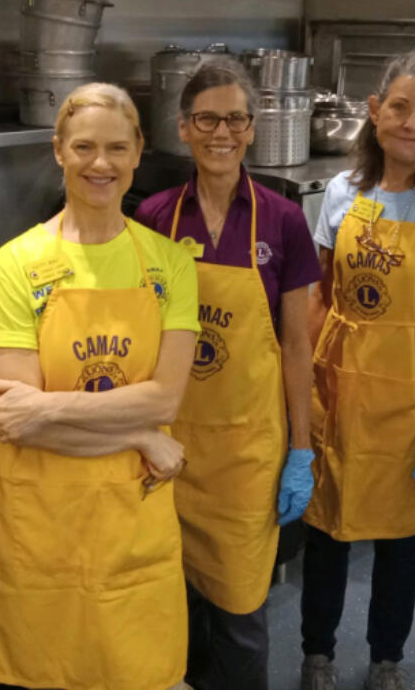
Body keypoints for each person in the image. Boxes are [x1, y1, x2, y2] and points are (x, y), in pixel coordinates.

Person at [0, 83, 199, 690]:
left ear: (137, 154)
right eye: (83, 146)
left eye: (116, 148)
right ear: (58, 150)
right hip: (43, 518)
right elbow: (16, 423)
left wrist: (47, 405)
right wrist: (141, 435)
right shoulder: (13, 265)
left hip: (133, 517)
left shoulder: (169, 263)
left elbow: (165, 398)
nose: (100, 163)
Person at [300, 50, 415, 690]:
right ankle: (316, 654)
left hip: (412, 405)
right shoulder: (341, 193)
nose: (412, 123)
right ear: (375, 113)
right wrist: (295, 402)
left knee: (399, 544)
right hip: (339, 393)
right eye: (400, 107)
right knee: (325, 536)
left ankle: (387, 659)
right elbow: (321, 296)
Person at [134, 64, 321, 690]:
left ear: (253, 127)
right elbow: (144, 337)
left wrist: (302, 448)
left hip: (246, 454)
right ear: (183, 128)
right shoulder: (157, 217)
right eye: (207, 119)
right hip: (173, 448)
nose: (223, 132)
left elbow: (298, 345)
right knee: (173, 611)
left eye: (236, 119)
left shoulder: (283, 221)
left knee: (241, 617)